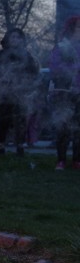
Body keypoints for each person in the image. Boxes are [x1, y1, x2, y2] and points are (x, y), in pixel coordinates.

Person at [0, 28, 40, 156]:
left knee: (21, 120)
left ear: (21, 39)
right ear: (7, 38)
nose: (15, 39)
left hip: (21, 92)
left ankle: (20, 145)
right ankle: (0, 145)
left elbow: (34, 73)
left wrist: (29, 86)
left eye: (18, 37)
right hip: (4, 92)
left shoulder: (27, 55)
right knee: (4, 119)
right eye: (12, 37)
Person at [49, 15, 80, 170]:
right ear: (71, 28)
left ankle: (77, 160)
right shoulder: (62, 46)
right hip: (64, 92)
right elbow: (54, 68)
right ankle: (61, 159)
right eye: (79, 27)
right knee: (63, 126)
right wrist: (73, 69)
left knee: (78, 128)